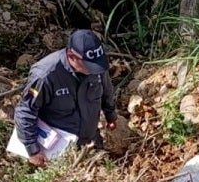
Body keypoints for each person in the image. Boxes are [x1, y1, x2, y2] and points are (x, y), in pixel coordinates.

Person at [13, 29, 119, 167]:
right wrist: (32, 150)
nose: (94, 70)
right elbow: (25, 111)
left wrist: (111, 115)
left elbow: (106, 90)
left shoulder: (97, 66)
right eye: (89, 66)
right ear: (72, 56)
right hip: (57, 150)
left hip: (90, 142)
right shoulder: (45, 75)